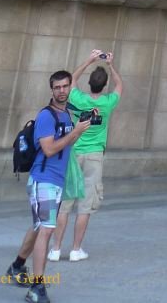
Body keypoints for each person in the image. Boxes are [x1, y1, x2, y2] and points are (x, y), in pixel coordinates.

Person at [7, 69, 94, 301]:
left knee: (39, 227)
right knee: (46, 230)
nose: (62, 91)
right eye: (57, 87)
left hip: (55, 181)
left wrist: (80, 127)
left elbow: (67, 144)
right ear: (52, 89)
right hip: (43, 180)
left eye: (65, 86)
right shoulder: (47, 116)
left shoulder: (66, 114)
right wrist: (75, 131)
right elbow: (49, 149)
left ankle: (17, 267)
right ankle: (36, 288)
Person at [49, 51, 123, 262]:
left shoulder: (78, 98)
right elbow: (120, 86)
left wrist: (89, 60)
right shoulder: (108, 103)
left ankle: (55, 249)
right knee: (85, 205)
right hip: (94, 156)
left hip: (74, 152)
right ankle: (75, 249)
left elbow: (70, 81)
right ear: (104, 84)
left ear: (89, 83)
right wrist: (111, 65)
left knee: (65, 203)